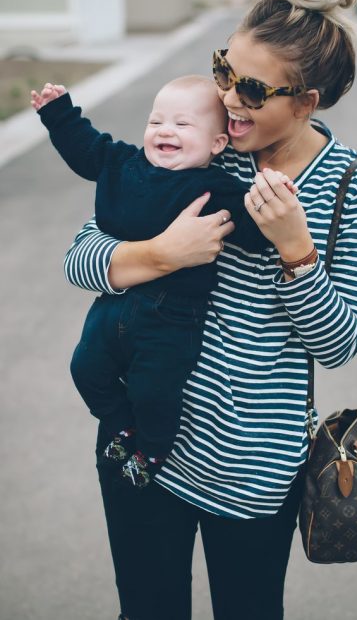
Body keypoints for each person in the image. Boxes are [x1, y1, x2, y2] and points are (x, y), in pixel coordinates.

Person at [62, 0, 357, 620]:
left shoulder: (356, 186)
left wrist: (295, 251)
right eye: (224, 71)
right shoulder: (201, 141)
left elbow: (337, 346)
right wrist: (162, 252)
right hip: (140, 446)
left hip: (251, 469)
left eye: (250, 90)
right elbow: (81, 255)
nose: (224, 100)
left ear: (307, 102)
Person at [32, 76, 298, 487]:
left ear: (216, 145)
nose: (165, 131)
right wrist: (58, 112)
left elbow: (252, 229)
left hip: (171, 319)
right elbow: (85, 148)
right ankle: (121, 427)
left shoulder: (218, 188)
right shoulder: (123, 164)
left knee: (154, 393)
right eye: (156, 122)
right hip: (112, 307)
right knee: (84, 369)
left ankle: (152, 452)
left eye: (182, 125)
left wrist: (274, 200)